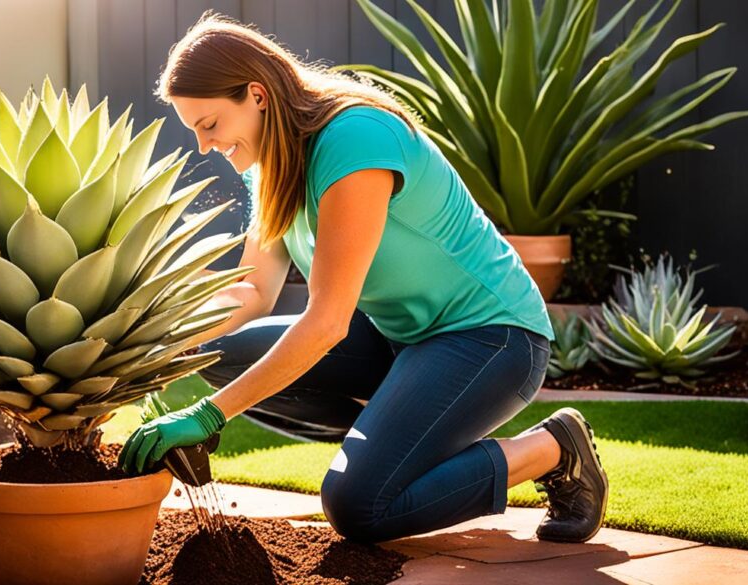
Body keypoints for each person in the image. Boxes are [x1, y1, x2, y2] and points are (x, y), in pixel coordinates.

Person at [119, 12, 608, 544]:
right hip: (400, 339)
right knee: (220, 351)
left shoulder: (353, 140)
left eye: (209, 125)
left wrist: (210, 415)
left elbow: (327, 321)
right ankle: (401, 440)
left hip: (492, 338)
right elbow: (253, 291)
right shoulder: (269, 165)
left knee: (360, 506)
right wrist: (155, 349)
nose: (204, 148)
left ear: (256, 95)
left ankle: (554, 446)